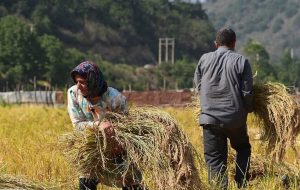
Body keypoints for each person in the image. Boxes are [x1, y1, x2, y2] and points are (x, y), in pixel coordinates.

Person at [67, 61, 142, 190]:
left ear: (93, 81)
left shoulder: (115, 98)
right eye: (76, 82)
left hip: (117, 148)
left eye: (83, 82)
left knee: (131, 183)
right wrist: (98, 125)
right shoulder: (73, 94)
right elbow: (77, 125)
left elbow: (127, 128)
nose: (79, 86)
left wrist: (116, 140)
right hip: (91, 148)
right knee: (86, 182)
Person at [194, 27, 253, 189]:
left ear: (216, 44)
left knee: (214, 161)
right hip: (235, 119)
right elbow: (247, 93)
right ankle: (241, 183)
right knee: (242, 148)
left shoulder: (204, 59)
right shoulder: (241, 61)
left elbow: (199, 86)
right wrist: (247, 110)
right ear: (234, 43)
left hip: (209, 119)